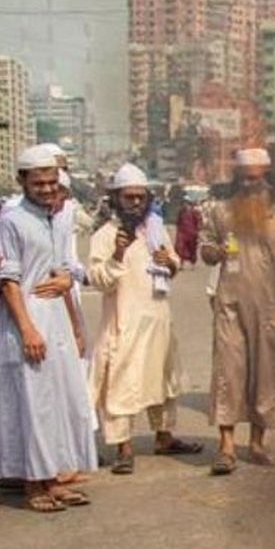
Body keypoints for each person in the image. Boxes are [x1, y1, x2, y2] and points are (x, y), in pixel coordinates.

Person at [0, 145, 98, 511]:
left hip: (57, 320)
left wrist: (69, 281)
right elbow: (8, 281)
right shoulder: (11, 221)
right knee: (34, 403)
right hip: (28, 318)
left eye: (53, 182)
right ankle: (33, 485)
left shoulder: (60, 217)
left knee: (59, 401)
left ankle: (53, 477)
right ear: (22, 181)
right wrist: (28, 329)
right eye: (39, 183)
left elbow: (68, 266)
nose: (48, 189)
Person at [198, 148, 275, 475]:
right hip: (230, 304)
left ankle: (258, 444)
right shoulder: (220, 212)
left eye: (256, 179)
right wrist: (212, 252)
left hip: (274, 308)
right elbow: (204, 250)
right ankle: (226, 447)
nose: (249, 185)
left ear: (269, 180)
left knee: (268, 375)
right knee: (228, 373)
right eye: (244, 179)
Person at [86, 164, 201, 475]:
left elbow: (172, 262)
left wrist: (171, 262)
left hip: (159, 318)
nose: (135, 203)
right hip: (125, 322)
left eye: (140, 197)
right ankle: (123, 447)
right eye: (129, 197)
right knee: (123, 384)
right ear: (116, 199)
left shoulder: (155, 229)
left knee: (164, 381)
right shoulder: (105, 236)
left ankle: (164, 437)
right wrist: (118, 255)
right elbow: (99, 280)